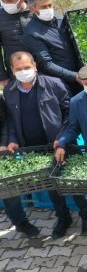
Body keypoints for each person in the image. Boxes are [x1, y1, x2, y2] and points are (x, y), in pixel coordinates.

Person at [4, 51, 87, 238]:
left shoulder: (54, 84)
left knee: (73, 181)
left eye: (27, 67)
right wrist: (12, 139)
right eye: (19, 69)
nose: (23, 71)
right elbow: (11, 120)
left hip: (61, 143)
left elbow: (70, 114)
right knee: (51, 185)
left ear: (35, 66)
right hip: (34, 149)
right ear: (12, 70)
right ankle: (63, 218)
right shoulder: (10, 91)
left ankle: (86, 216)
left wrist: (62, 138)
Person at [23, 0, 81, 94]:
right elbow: (46, 64)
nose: (48, 9)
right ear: (32, 9)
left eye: (50, 5)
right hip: (62, 84)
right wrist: (74, 76)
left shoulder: (60, 19)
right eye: (43, 7)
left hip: (81, 74)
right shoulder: (32, 33)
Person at [0, 91, 39, 238]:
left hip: (2, 151)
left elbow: (5, 120)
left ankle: (20, 222)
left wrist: (4, 143)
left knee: (9, 189)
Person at [0, 0, 31, 86]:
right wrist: (2, 77)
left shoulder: (35, 11)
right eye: (2, 1)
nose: (5, 4)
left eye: (9, 1)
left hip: (42, 70)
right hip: (16, 74)